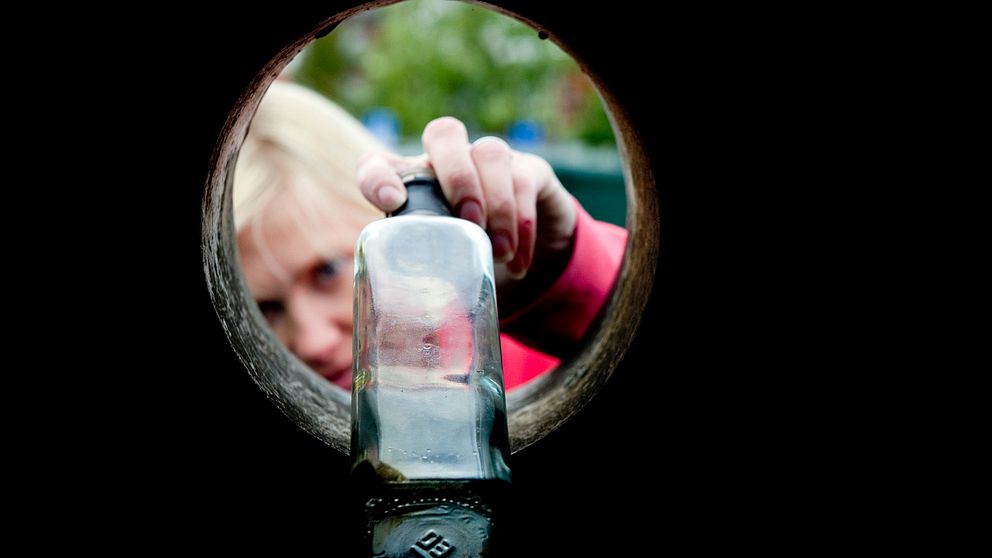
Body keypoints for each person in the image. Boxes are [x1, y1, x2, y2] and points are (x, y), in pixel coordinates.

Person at [235, 81, 626, 391]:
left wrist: (560, 284)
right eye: (267, 309)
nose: (313, 342)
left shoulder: (511, 364)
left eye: (329, 272)